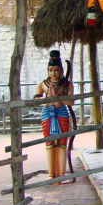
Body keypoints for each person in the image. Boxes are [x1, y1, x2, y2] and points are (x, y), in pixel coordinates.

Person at [34, 50, 74, 180]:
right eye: (50, 70)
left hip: (62, 113)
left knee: (62, 144)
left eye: (56, 70)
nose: (53, 73)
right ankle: (51, 174)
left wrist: (58, 97)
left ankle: (62, 174)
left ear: (62, 71)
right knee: (49, 144)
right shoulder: (42, 85)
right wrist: (47, 98)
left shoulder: (66, 84)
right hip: (47, 114)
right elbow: (35, 101)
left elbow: (71, 102)